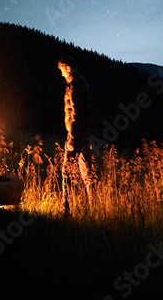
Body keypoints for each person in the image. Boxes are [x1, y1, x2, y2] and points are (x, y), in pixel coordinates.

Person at [57, 55, 94, 210]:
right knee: (87, 173)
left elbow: (76, 112)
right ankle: (95, 209)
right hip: (83, 133)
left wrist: (71, 137)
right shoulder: (80, 82)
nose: (61, 74)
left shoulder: (75, 84)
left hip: (76, 135)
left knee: (67, 172)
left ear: (68, 68)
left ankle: (66, 210)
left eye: (62, 70)